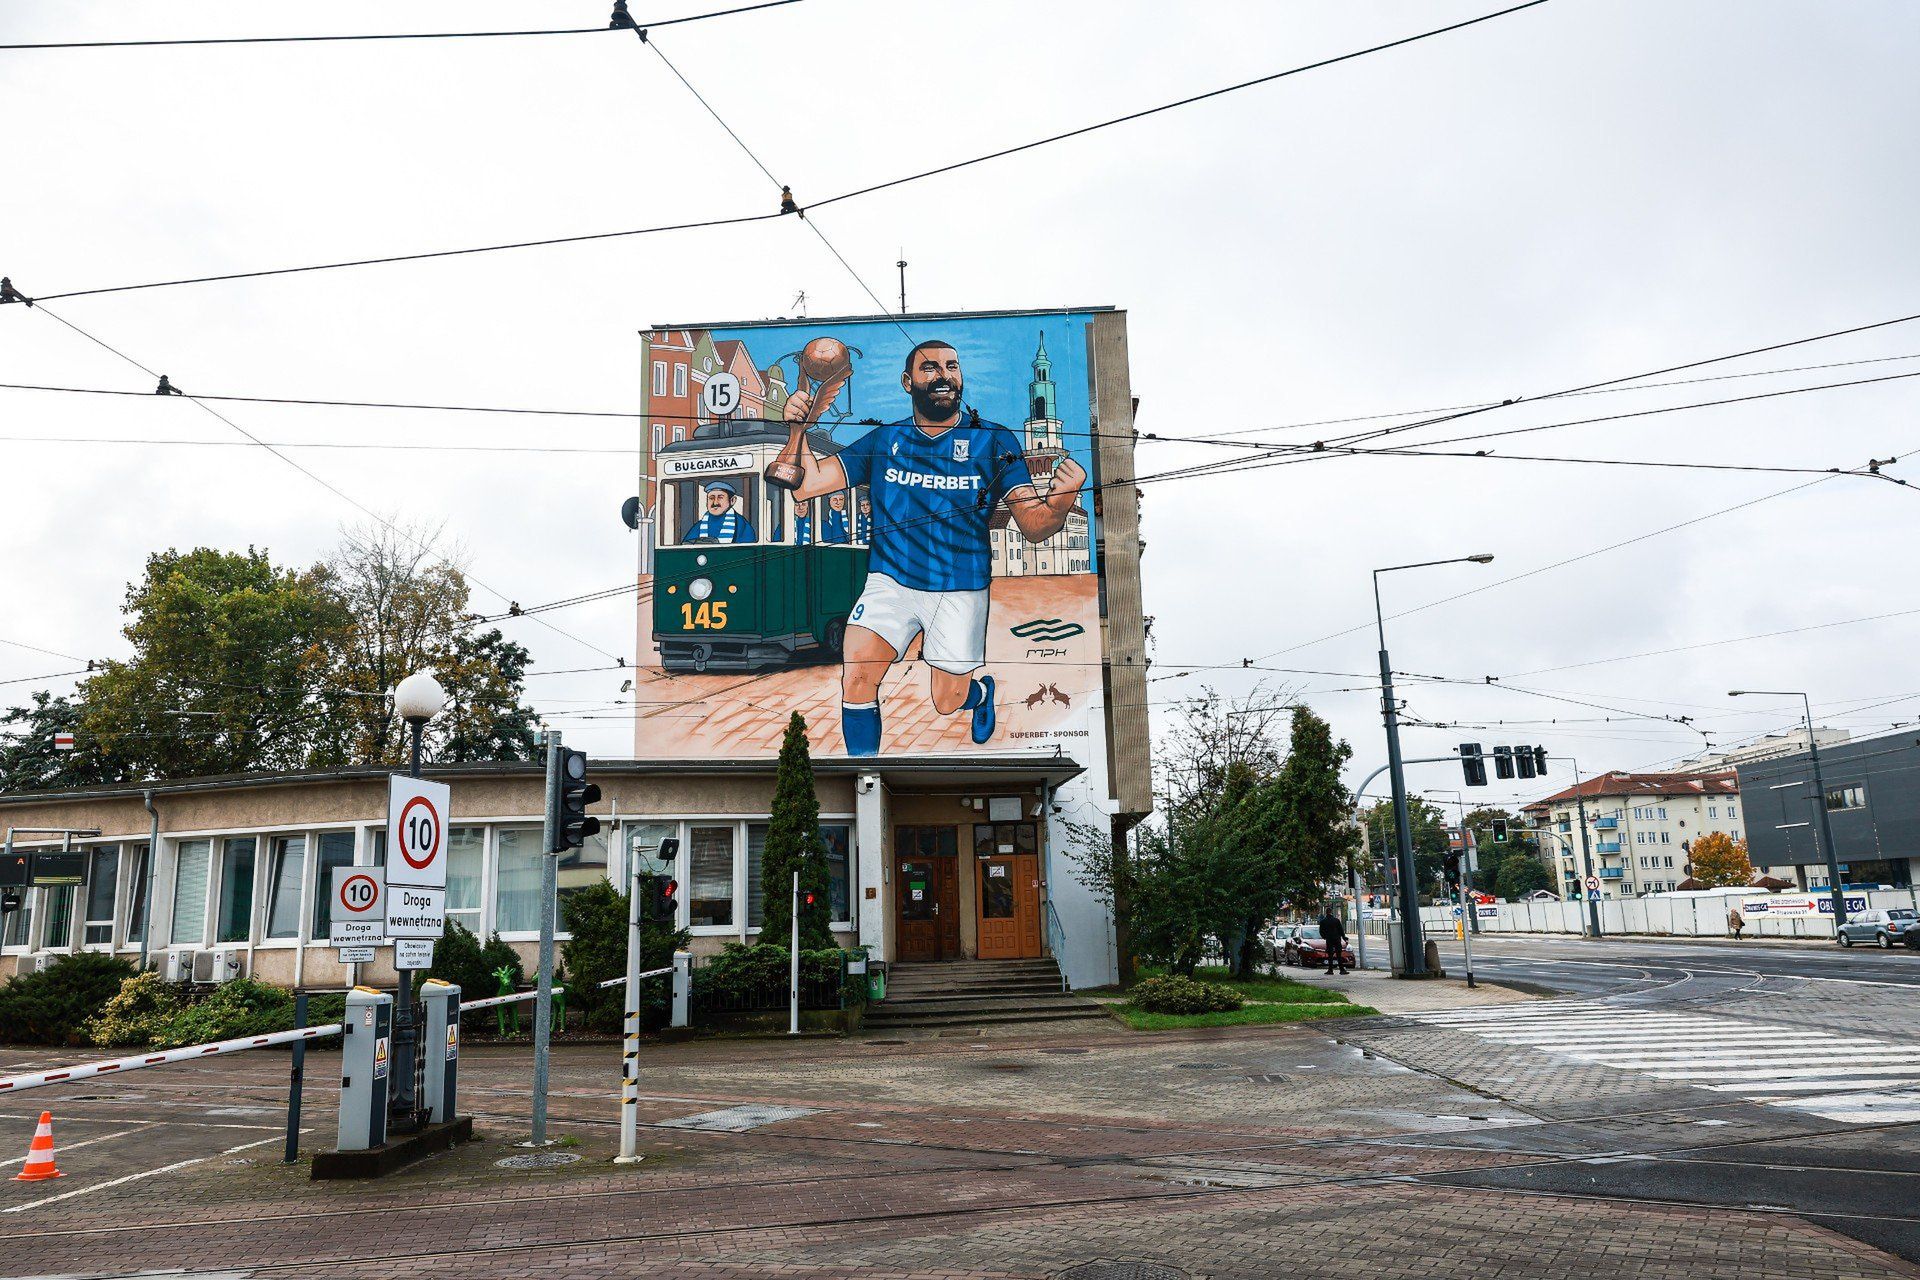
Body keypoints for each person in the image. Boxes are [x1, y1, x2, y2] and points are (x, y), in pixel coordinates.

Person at [780, 339, 1086, 756]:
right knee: (857, 675)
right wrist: (796, 429)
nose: (944, 375)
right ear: (908, 382)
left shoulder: (993, 442)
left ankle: (979, 694)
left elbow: (1033, 527)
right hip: (890, 581)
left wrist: (1062, 500)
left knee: (946, 701)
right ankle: (865, 783)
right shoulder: (884, 441)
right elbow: (806, 485)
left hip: (959, 587)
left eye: (952, 366)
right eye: (930, 368)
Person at [682, 479, 757, 544]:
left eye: (720, 497)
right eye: (711, 498)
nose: (715, 503)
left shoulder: (741, 525)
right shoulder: (698, 526)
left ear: (732, 501)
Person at [1317, 906, 1350, 975]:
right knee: (1338, 955)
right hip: (1337, 939)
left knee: (1330, 955)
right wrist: (1344, 938)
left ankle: (1330, 970)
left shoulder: (1323, 921)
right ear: (1331, 912)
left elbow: (1321, 931)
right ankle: (1342, 970)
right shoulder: (1336, 920)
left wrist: (1325, 937)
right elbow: (1341, 930)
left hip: (1329, 939)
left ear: (1326, 913)